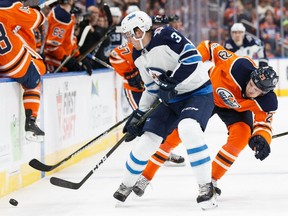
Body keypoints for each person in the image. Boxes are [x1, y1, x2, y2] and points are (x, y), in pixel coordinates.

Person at [133, 40, 279, 199]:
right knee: (178, 132)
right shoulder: (237, 66)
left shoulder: (267, 102)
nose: (251, 89)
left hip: (235, 109)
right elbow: (209, 47)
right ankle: (145, 176)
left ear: (264, 93)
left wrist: (261, 139)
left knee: (242, 135)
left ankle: (211, 180)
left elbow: (264, 123)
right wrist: (187, 69)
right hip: (207, 94)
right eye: (251, 84)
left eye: (256, 90)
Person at [113, 11, 217, 210]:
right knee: (147, 138)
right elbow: (152, 87)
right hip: (172, 99)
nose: (128, 39)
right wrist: (139, 115)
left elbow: (192, 57)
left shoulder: (166, 35)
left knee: (189, 129)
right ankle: (126, 184)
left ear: (141, 30)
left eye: (130, 34)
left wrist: (172, 81)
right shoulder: (137, 54)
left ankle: (206, 187)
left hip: (198, 92)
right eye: (126, 35)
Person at [109, 42, 184, 165]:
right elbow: (114, 55)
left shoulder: (161, 44)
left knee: (161, 120)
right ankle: (145, 155)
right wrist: (130, 73)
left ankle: (161, 152)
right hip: (136, 91)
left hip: (155, 90)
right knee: (143, 121)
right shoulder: (133, 46)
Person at [0, 0, 47, 142]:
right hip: (15, 62)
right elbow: (38, 20)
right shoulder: (8, 5)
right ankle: (31, 122)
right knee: (35, 79)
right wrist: (34, 10)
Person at [44, 0, 91, 74]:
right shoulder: (62, 16)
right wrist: (66, 59)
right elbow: (52, 46)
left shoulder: (65, 14)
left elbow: (69, 41)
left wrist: (78, 56)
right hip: (54, 63)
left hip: (61, 62)